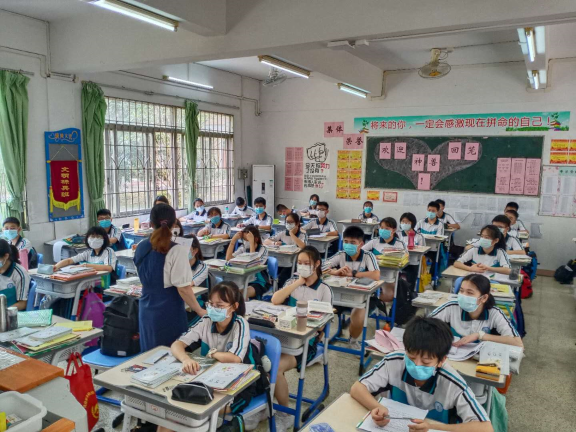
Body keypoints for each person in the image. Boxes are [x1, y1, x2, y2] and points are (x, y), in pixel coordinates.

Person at [351, 316, 493, 432]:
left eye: (426, 362)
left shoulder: (452, 383)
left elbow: (485, 428)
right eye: (411, 357)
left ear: (441, 361)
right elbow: (357, 388)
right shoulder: (394, 361)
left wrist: (432, 427)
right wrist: (377, 407)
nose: (417, 365)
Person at [170, 282, 256, 430]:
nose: (213, 309)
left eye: (220, 306)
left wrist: (213, 353)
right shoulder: (206, 320)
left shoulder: (240, 324)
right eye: (211, 304)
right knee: (181, 409)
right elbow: (177, 344)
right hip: (210, 379)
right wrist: (185, 359)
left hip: (240, 384)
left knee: (198, 413)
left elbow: (235, 359)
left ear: (234, 307)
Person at [271, 246, 333, 431]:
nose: (303, 266)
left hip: (307, 342)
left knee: (275, 367)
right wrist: (298, 282)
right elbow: (275, 300)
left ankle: (284, 414)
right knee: (260, 360)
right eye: (300, 263)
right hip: (284, 337)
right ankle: (265, 404)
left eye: (307, 263)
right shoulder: (292, 282)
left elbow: (321, 325)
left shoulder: (324, 289)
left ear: (317, 264)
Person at [134, 203, 204, 351]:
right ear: (173, 224)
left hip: (146, 308)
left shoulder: (140, 247)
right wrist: (200, 311)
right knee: (172, 355)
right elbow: (183, 288)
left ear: (151, 223)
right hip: (169, 310)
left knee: (149, 355)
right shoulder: (177, 250)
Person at [323, 226, 380, 350]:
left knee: (358, 315)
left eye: (353, 242)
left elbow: (376, 275)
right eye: (346, 242)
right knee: (321, 307)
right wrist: (335, 272)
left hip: (364, 298)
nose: (348, 245)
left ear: (361, 244)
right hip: (341, 295)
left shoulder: (368, 256)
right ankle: (318, 340)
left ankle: (353, 340)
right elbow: (322, 267)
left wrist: (354, 274)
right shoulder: (341, 255)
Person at [430, 274, 523, 348]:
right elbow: (424, 327)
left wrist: (480, 335)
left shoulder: (494, 313)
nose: (463, 295)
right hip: (453, 356)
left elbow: (518, 343)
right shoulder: (451, 307)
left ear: (484, 298)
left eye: (469, 292)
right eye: (461, 291)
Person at [362, 217, 406, 303]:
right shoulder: (374, 241)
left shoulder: (399, 244)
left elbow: (404, 259)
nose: (383, 230)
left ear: (394, 230)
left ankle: (374, 302)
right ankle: (371, 303)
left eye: (387, 228)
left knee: (390, 296)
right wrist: (374, 257)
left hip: (389, 276)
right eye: (381, 228)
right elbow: (361, 252)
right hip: (372, 274)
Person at [226, 226, 270, 299]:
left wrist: (251, 243)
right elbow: (228, 258)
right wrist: (233, 241)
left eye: (247, 240)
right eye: (244, 239)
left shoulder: (263, 249)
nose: (245, 242)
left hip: (259, 282)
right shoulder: (243, 248)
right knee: (228, 292)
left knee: (240, 295)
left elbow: (253, 264)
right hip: (243, 279)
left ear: (256, 239)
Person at [265, 212, 306, 287]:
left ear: (297, 223)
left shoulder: (302, 235)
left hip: (294, 263)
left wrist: (291, 234)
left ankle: (278, 287)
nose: (288, 224)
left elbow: (303, 246)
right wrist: (274, 243)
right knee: (270, 271)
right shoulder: (282, 233)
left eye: (291, 222)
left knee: (283, 275)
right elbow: (266, 241)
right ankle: (272, 285)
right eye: (287, 222)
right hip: (281, 260)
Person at [397, 212, 426, 288]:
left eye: (407, 222)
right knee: (398, 282)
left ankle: (410, 291)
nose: (404, 223)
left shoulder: (419, 236)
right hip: (399, 261)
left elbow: (423, 251)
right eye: (403, 221)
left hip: (413, 262)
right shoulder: (398, 235)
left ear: (412, 223)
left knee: (410, 282)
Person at [0, 239, 30, 310]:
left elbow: (22, 304)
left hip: (11, 313)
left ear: (6, 256)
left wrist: (3, 312)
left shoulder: (19, 274)